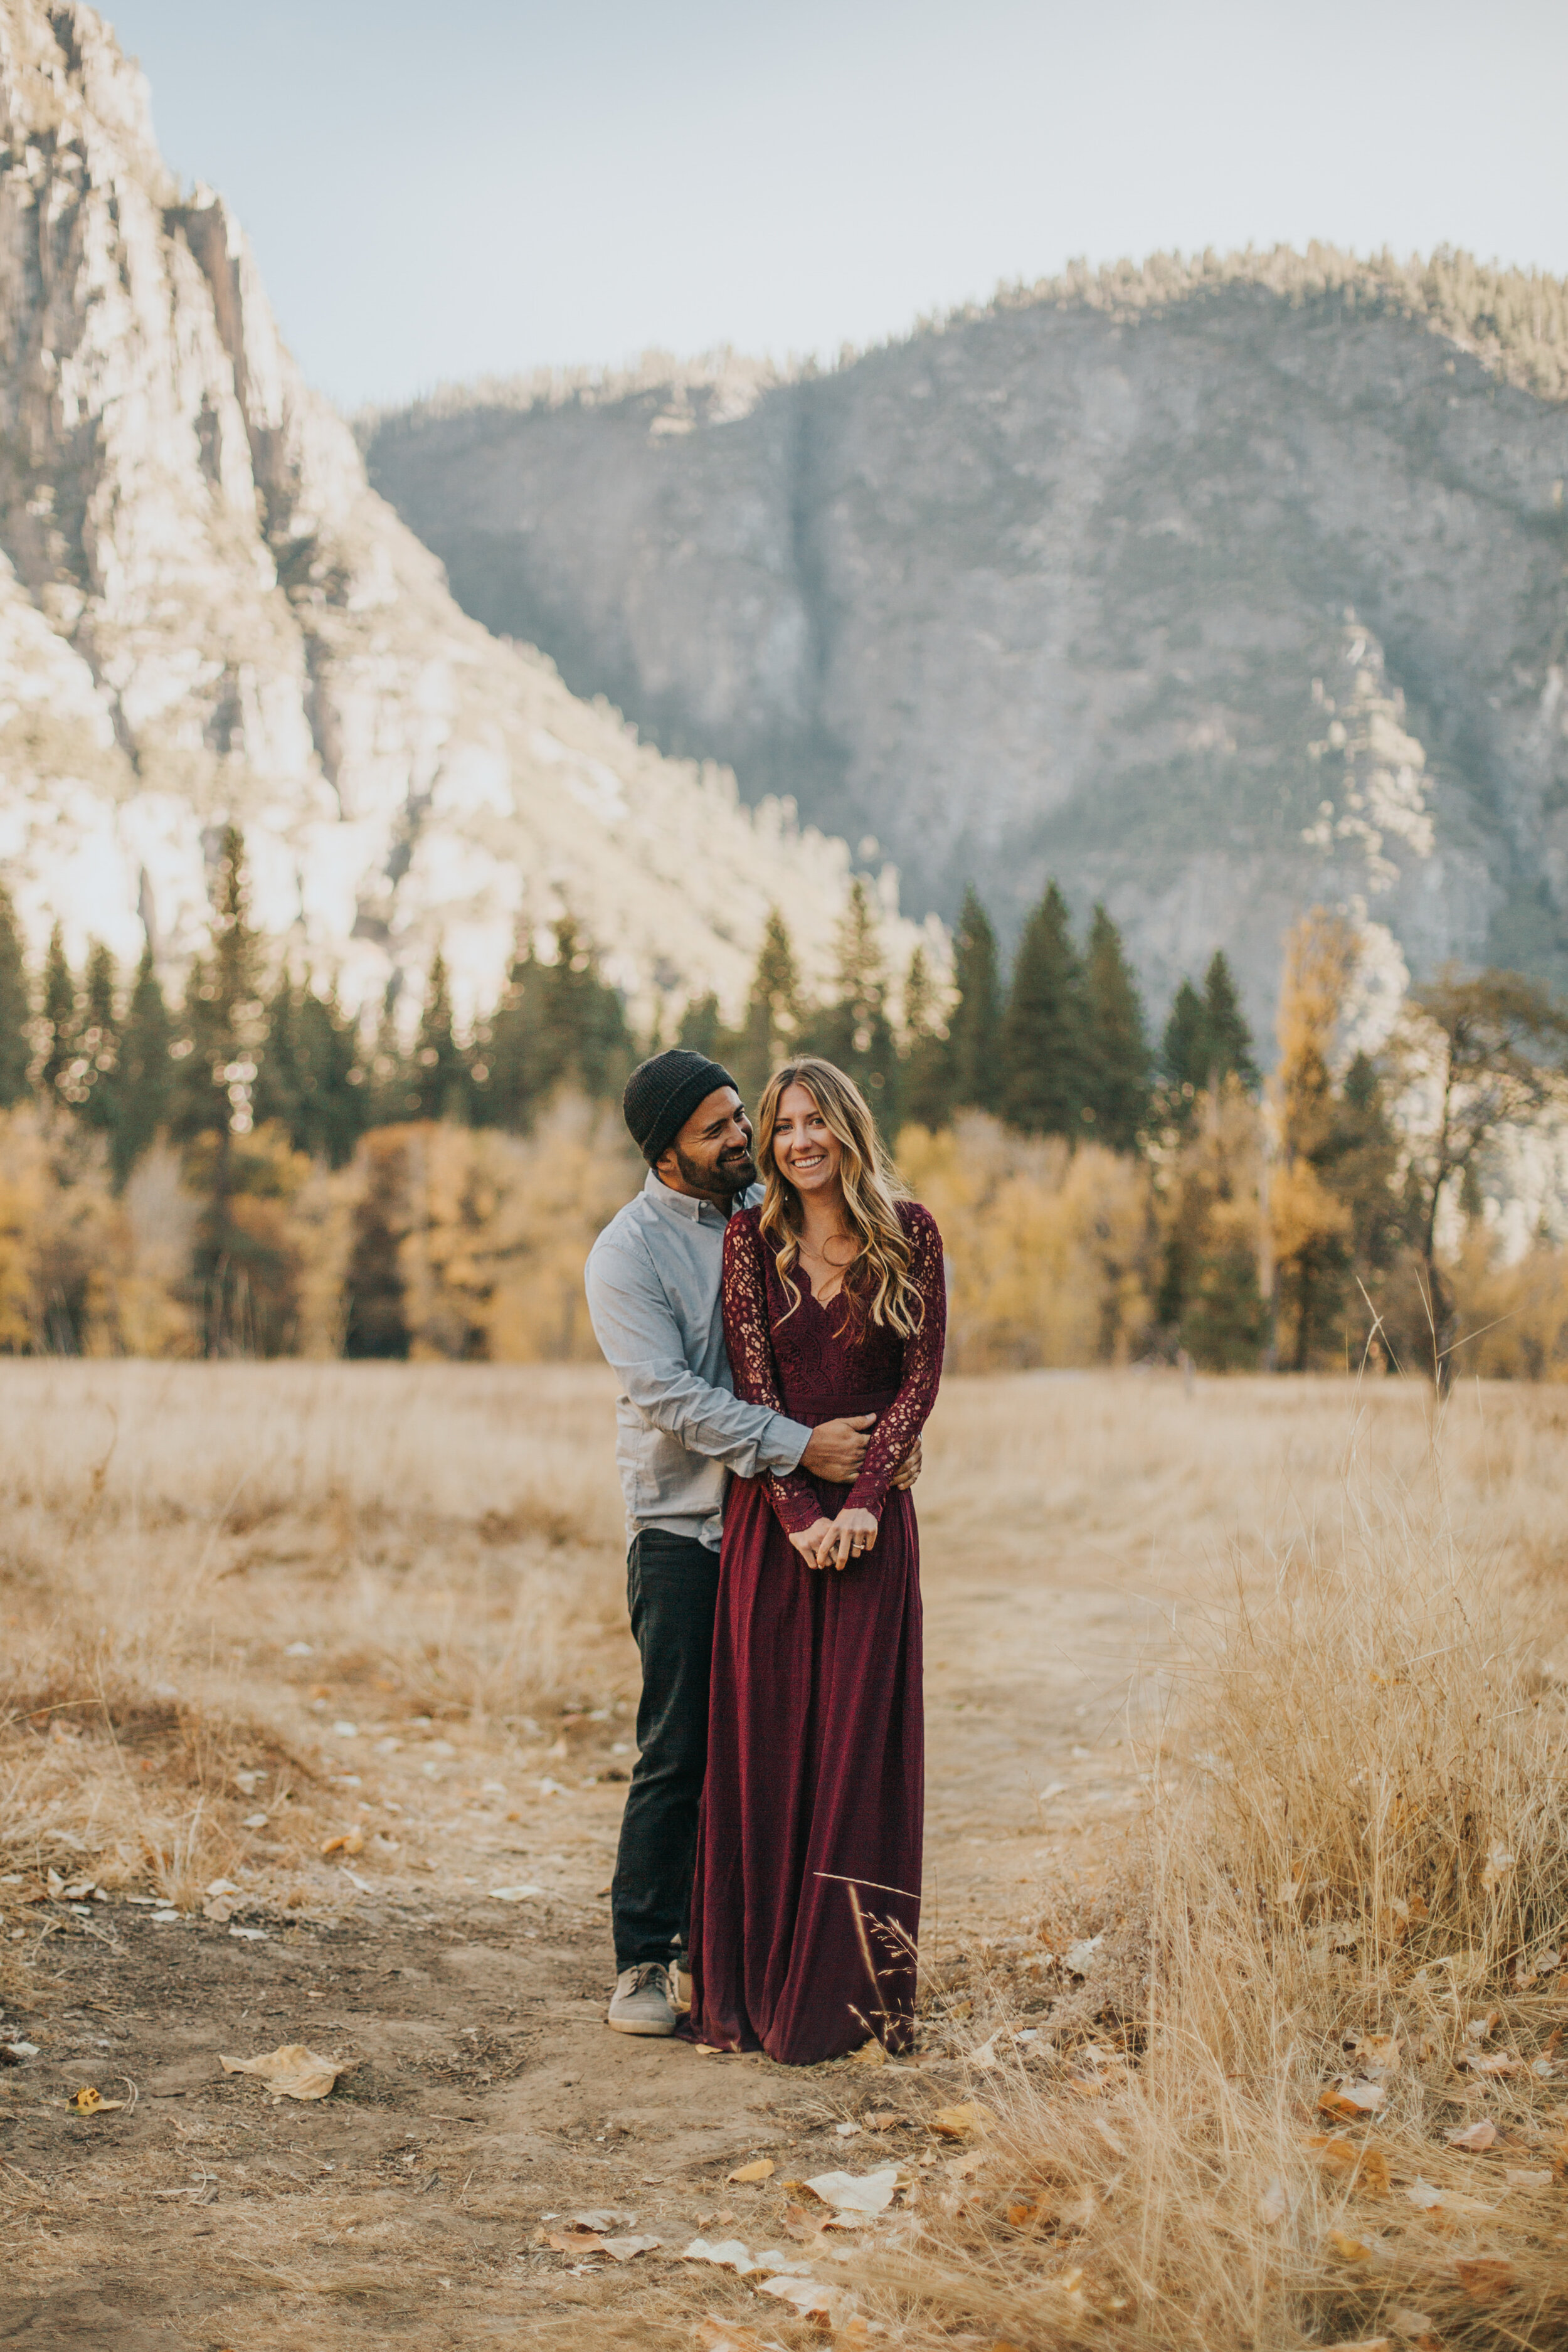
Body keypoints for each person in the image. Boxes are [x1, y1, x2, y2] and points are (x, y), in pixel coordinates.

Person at [585, 1049, 921, 2037]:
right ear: (667, 1153)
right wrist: (801, 1446)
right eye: (719, 1130)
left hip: (790, 1530)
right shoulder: (628, 1254)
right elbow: (671, 1397)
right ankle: (645, 1958)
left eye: (745, 1118)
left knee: (771, 1749)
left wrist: (879, 1452)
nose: (746, 1138)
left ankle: (741, 1947)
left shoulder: (765, 1215)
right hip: (688, 1529)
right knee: (681, 1745)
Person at [689, 1056, 945, 2064]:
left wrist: (870, 1501)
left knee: (857, 1757)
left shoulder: (910, 1232)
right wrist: (801, 1512)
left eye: (815, 1121)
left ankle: (843, 2003)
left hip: (879, 1529)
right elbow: (753, 1382)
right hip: (776, 1528)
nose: (799, 1140)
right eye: (783, 1125)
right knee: (770, 1751)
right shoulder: (752, 1243)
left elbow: (921, 1376)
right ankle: (752, 1995)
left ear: (848, 1127)